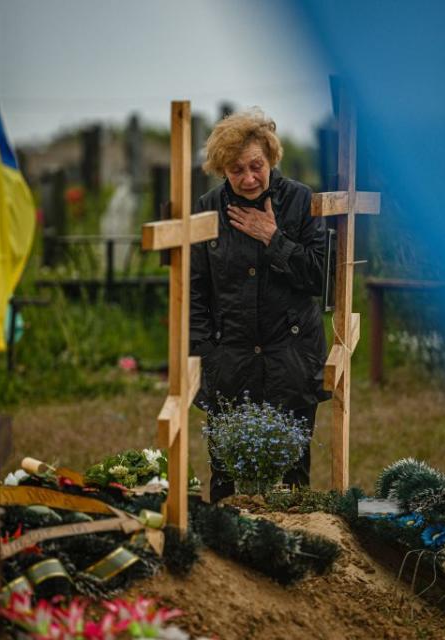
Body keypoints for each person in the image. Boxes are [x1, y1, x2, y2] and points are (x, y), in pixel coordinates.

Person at [190, 108, 329, 503]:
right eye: (236, 170)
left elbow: (321, 279)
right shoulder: (208, 208)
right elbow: (195, 291)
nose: (249, 178)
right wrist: (206, 358)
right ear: (222, 170)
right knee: (228, 481)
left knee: (290, 481)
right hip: (230, 363)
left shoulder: (300, 201)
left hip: (291, 359)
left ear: (271, 160)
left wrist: (274, 238)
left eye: (256, 166)